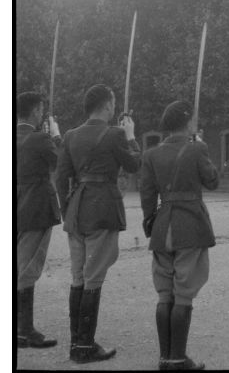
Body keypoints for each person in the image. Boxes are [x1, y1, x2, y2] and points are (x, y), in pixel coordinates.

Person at [55, 84, 141, 364]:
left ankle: (76, 343)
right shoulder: (115, 134)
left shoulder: (69, 136)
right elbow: (134, 165)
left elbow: (61, 178)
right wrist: (131, 136)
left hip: (76, 211)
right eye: (113, 103)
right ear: (106, 106)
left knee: (78, 276)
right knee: (93, 277)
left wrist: (68, 210)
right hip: (102, 208)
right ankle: (85, 346)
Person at [140, 101, 219, 371]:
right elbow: (213, 181)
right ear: (187, 122)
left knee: (165, 293)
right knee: (183, 294)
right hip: (190, 225)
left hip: (163, 227)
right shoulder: (198, 148)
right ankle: (176, 359)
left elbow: (147, 194)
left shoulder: (151, 154)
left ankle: (165, 358)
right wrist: (202, 149)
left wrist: (149, 220)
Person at [17, 92, 62, 349]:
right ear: (36, 112)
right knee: (28, 268)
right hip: (34, 207)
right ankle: (24, 330)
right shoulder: (40, 138)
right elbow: (61, 161)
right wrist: (54, 133)